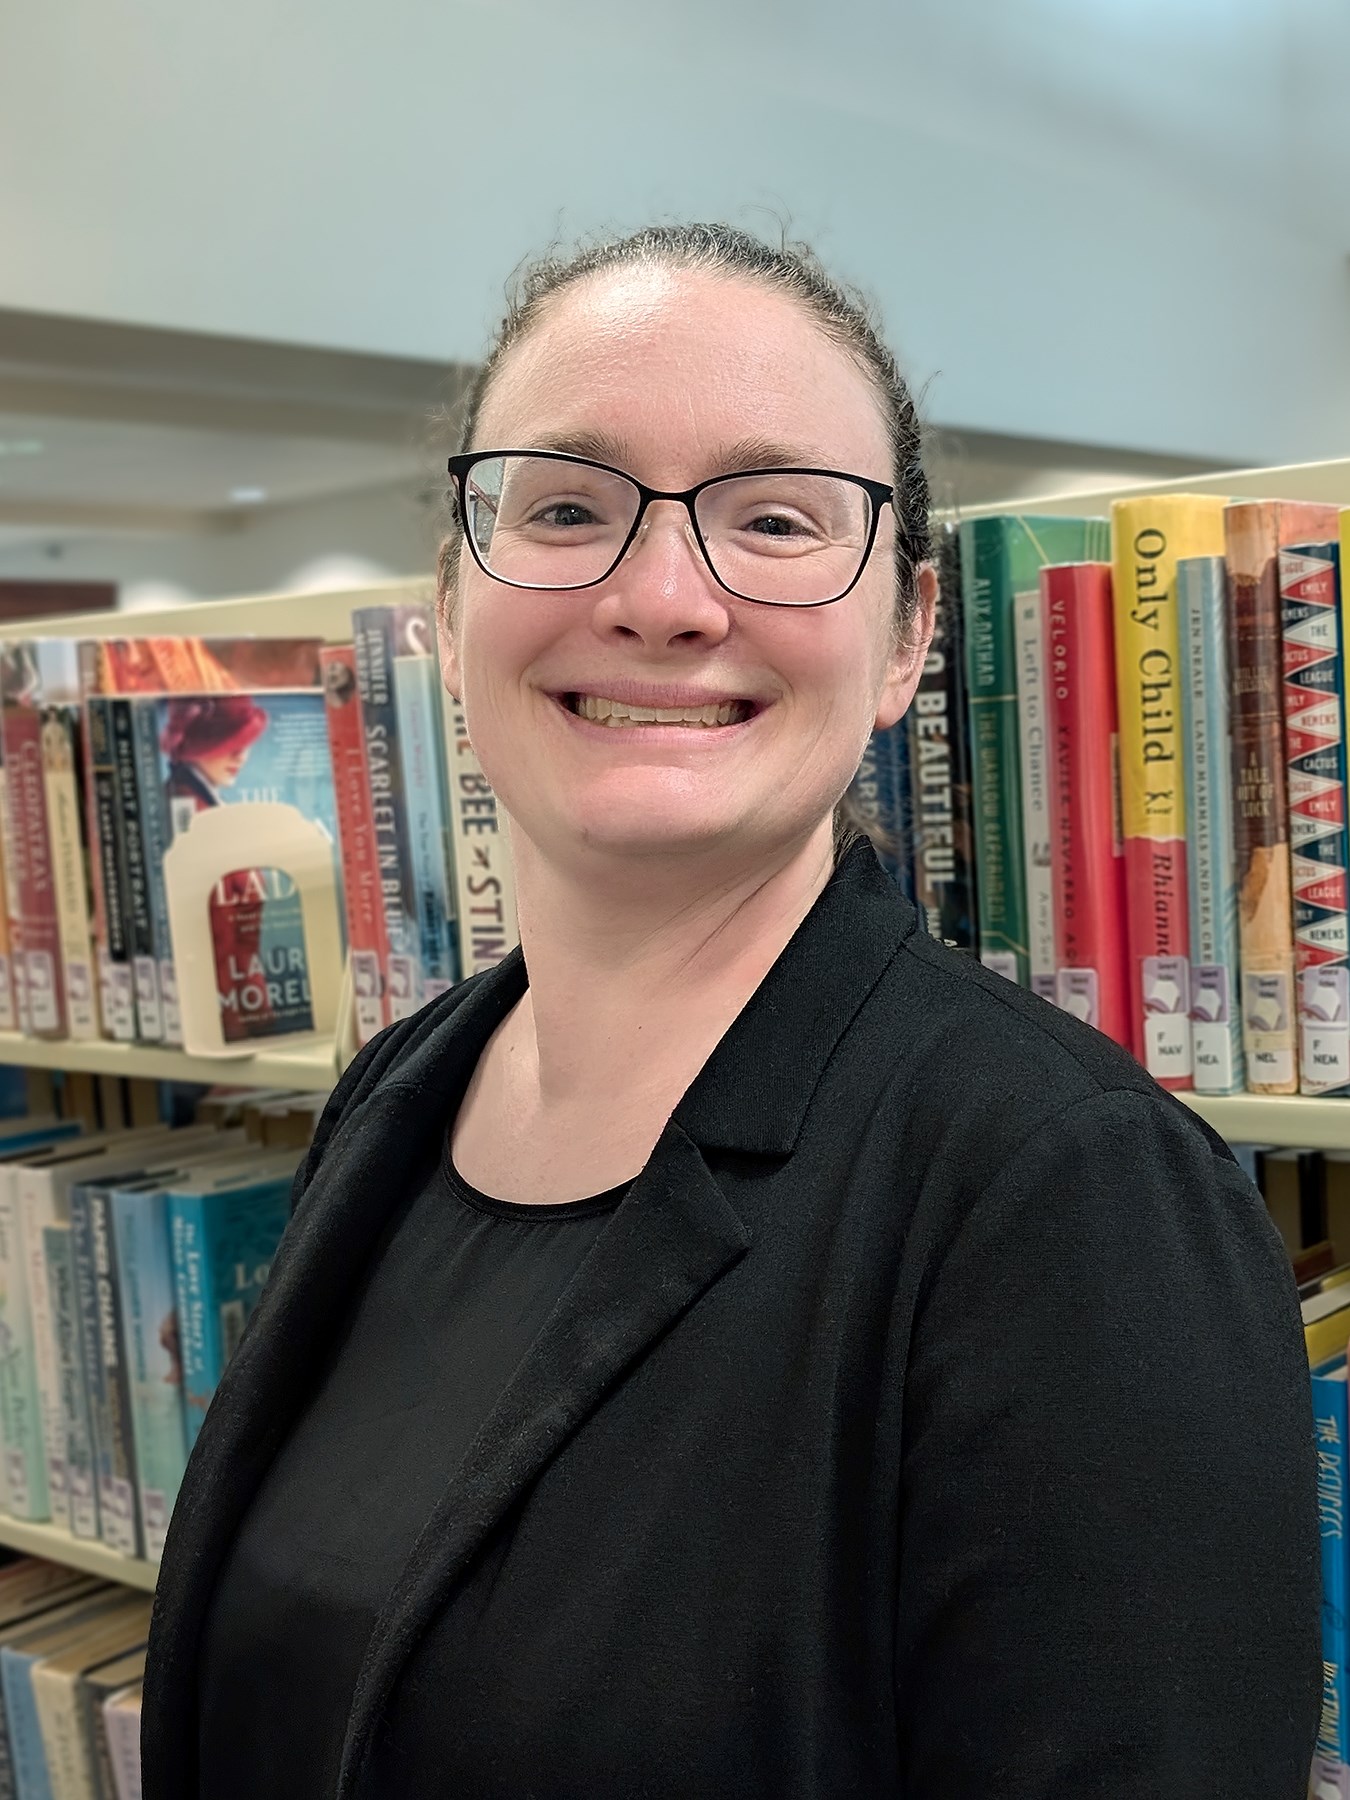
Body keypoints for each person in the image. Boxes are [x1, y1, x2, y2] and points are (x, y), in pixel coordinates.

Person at [142, 223, 1320, 1799]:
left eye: (772, 519)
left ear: (905, 637)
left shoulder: (1068, 1199)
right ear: (448, 600)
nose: (662, 598)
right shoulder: (398, 1091)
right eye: (567, 506)